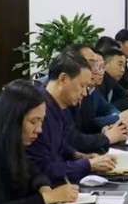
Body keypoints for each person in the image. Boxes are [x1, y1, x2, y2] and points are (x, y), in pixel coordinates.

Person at [26, 52, 117, 185]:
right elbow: (44, 169)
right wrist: (88, 164)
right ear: (63, 79)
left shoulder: (60, 106)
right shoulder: (37, 111)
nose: (84, 93)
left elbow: (61, 144)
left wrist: (79, 156)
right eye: (82, 86)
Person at [64, 44, 128, 152]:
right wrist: (106, 137)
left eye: (100, 66)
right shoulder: (57, 100)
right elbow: (71, 140)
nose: (97, 70)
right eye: (91, 64)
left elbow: (87, 124)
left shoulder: (88, 90)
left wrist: (105, 130)